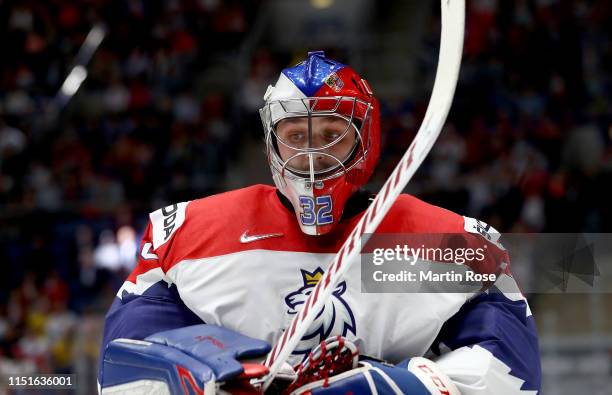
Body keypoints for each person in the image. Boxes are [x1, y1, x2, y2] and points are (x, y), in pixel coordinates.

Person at [99, 51, 541, 394]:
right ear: (273, 144)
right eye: (295, 137)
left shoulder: (450, 242)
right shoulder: (187, 232)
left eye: (331, 135)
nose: (312, 156)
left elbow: (513, 369)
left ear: (364, 140)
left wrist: (401, 387)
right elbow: (127, 362)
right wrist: (221, 376)